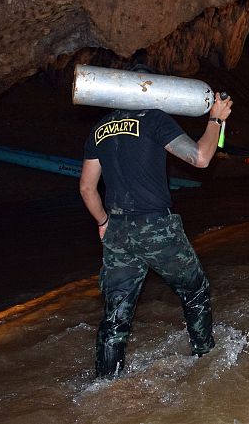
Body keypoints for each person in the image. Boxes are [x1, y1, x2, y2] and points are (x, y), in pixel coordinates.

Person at [79, 66, 233, 379]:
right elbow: (200, 158)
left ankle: (105, 384)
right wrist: (216, 119)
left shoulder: (99, 129)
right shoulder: (153, 118)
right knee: (195, 291)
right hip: (155, 227)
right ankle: (206, 361)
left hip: (117, 231)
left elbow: (86, 187)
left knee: (116, 315)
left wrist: (103, 222)